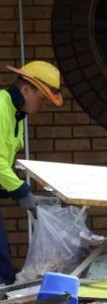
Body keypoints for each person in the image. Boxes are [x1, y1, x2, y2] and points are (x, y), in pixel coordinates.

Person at [0, 61, 63, 284]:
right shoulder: (1, 107)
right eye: (42, 98)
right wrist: (21, 191)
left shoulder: (16, 114)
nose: (43, 105)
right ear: (26, 89)